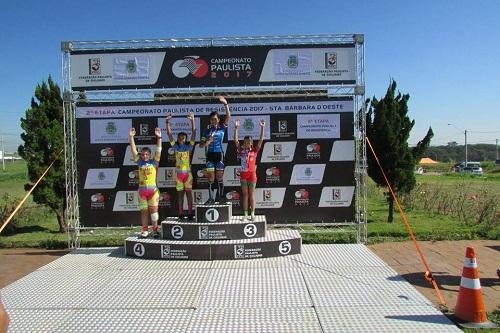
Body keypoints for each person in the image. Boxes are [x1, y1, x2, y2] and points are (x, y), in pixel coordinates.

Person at [129, 126, 162, 238]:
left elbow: (159, 149)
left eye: (147, 154)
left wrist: (159, 138)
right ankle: (144, 230)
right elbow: (133, 151)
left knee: (153, 212)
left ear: (150, 154)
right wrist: (131, 137)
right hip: (142, 192)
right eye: (143, 154)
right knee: (144, 212)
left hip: (153, 191)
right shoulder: (139, 162)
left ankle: (155, 230)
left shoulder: (155, 162)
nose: (145, 156)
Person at [199, 96, 231, 204]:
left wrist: (225, 104)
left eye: (215, 119)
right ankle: (211, 198)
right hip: (210, 155)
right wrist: (208, 142)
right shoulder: (206, 131)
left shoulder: (222, 128)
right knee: (211, 179)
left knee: (219, 177)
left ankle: (221, 198)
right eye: (212, 119)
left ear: (218, 120)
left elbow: (228, 116)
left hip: (219, 154)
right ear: (210, 120)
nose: (213, 121)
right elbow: (201, 146)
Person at [167, 112, 196, 220]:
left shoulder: (189, 147)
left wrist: (192, 120)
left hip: (188, 174)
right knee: (180, 195)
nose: (181, 139)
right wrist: (167, 122)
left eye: (183, 138)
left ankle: (190, 213)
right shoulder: (175, 147)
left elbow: (194, 132)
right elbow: (169, 135)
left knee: (189, 195)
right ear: (178, 139)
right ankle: (180, 213)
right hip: (179, 175)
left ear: (186, 139)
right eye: (179, 138)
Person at [234, 118, 265, 220]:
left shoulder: (255, 151)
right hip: (243, 174)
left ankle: (252, 213)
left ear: (251, 143)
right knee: (245, 194)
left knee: (251, 194)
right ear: (244, 143)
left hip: (252, 174)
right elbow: (235, 141)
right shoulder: (241, 151)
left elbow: (261, 140)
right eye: (245, 142)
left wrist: (262, 128)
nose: (247, 144)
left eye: (249, 142)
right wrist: (236, 128)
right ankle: (245, 214)